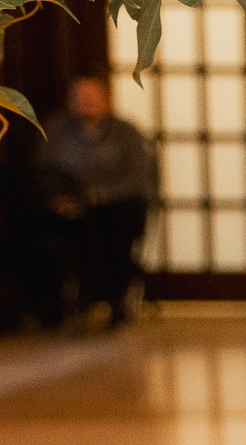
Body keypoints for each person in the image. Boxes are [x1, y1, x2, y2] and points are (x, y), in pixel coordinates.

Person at [31, 73, 154, 325]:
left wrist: (101, 196)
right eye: (79, 97)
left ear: (106, 100)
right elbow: (44, 172)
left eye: (91, 97)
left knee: (113, 227)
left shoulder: (126, 133)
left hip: (116, 206)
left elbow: (138, 180)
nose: (85, 102)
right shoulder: (56, 130)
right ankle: (57, 306)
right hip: (68, 207)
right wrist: (59, 198)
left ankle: (115, 299)